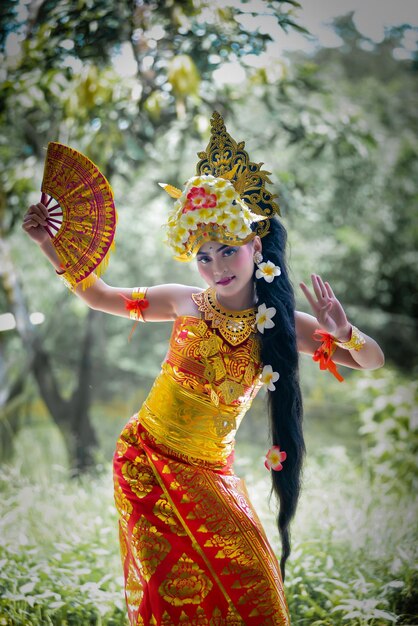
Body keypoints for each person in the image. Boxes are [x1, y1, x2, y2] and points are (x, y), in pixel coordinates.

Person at [22, 112, 384, 625]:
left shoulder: (281, 324)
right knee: (176, 597)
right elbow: (99, 295)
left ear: (255, 247)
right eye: (204, 256)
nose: (217, 267)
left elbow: (370, 361)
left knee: (256, 584)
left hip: (211, 470)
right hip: (146, 458)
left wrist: (344, 330)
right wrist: (47, 245)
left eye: (228, 251)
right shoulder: (184, 301)